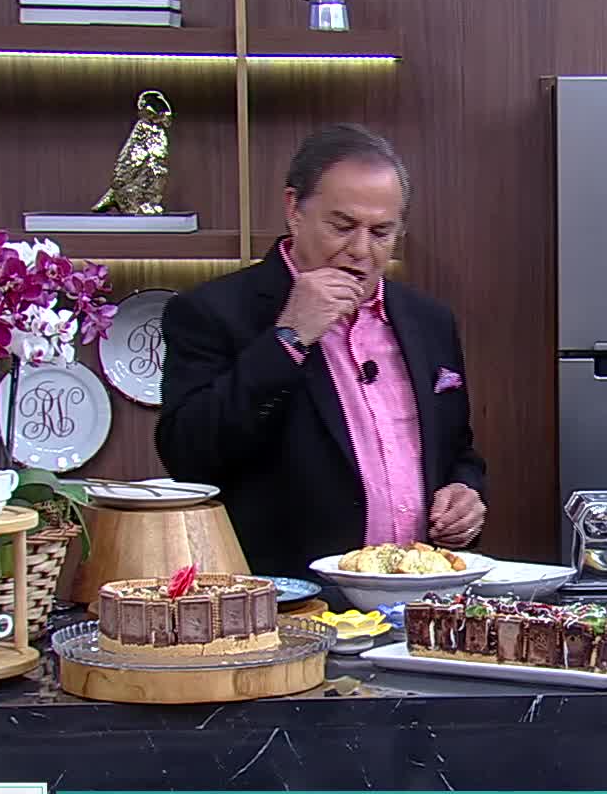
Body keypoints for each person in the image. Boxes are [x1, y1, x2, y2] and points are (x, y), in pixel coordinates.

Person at [157, 124, 487, 578]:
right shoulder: (212, 311)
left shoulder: (429, 321)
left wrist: (465, 492)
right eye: (343, 226)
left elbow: (457, 449)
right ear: (294, 209)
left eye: (381, 232)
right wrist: (289, 337)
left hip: (422, 593)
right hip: (290, 597)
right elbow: (188, 454)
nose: (361, 250)